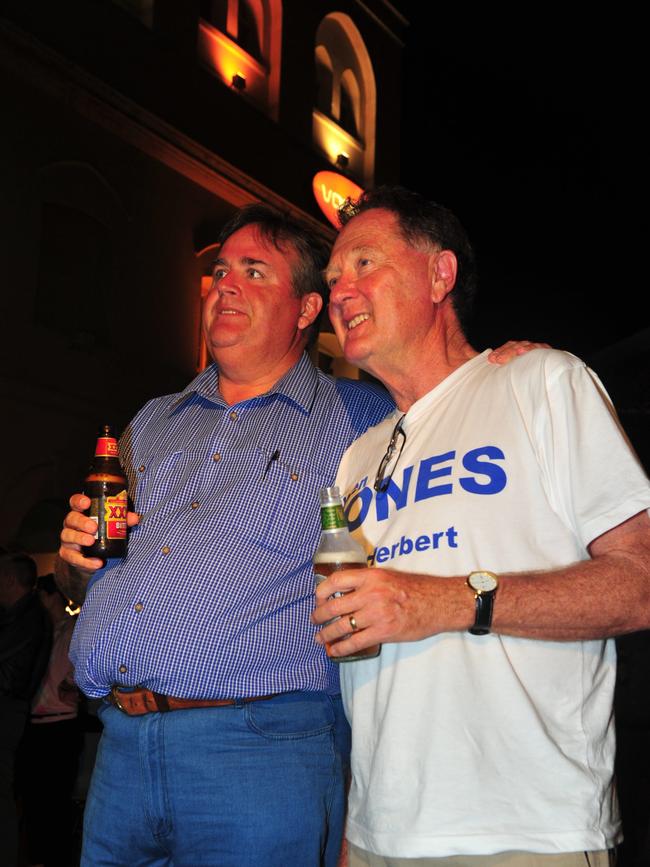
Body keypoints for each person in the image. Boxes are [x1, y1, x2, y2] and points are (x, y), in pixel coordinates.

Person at [56, 202, 538, 867]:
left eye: (254, 271)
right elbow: (84, 579)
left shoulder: (361, 420)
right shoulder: (151, 420)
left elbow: (457, 417)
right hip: (118, 750)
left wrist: (501, 368)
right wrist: (77, 566)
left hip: (260, 752)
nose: (224, 284)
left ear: (308, 309)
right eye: (221, 270)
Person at [313, 185, 650, 867]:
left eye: (364, 264)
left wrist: (441, 601)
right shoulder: (357, 456)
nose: (339, 290)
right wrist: (358, 832)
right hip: (382, 835)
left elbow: (640, 581)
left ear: (441, 274)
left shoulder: (542, 383)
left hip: (524, 832)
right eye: (331, 278)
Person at [16, 573, 82, 867]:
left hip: (62, 724)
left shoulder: (73, 629)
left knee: (55, 802)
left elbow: (80, 672)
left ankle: (56, 859)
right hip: (36, 723)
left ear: (53, 596)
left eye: (41, 595)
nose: (38, 602)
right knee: (34, 800)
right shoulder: (42, 631)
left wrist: (72, 685)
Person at [0, 552, 51, 867]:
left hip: (8, 710)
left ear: (9, 579)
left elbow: (12, 675)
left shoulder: (30, 617)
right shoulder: (25, 615)